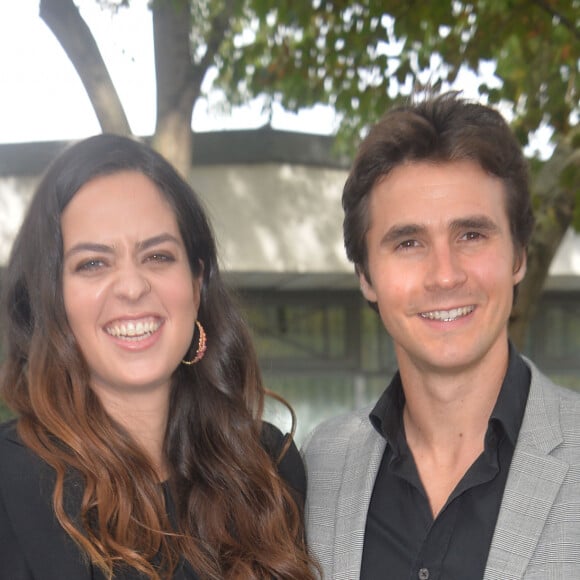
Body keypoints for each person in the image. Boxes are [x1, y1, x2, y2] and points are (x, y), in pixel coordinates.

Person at [0, 134, 320, 580]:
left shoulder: (268, 467)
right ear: (50, 297)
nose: (132, 287)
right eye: (93, 263)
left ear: (196, 282)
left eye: (157, 256)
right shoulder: (9, 485)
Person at [302, 92, 580, 579]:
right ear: (366, 276)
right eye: (408, 242)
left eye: (471, 235)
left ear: (519, 257)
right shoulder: (320, 466)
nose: (445, 275)